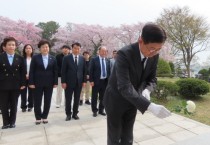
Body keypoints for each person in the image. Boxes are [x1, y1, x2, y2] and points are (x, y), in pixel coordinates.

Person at [103, 23, 171, 145]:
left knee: (128, 136)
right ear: (141, 40)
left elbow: (152, 78)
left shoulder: (154, 56)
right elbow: (124, 86)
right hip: (115, 101)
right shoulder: (124, 54)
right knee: (115, 137)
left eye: (158, 49)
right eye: (151, 48)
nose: (154, 52)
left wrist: (147, 90)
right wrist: (149, 106)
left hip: (133, 101)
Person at [29, 40, 58, 125]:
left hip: (49, 83)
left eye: (47, 47)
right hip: (37, 83)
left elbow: (55, 71)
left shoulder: (53, 58)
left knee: (47, 100)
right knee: (37, 101)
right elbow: (32, 71)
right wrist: (31, 82)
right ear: (40, 48)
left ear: (49, 48)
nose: (45, 48)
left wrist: (55, 82)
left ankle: (45, 116)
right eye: (43, 47)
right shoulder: (35, 57)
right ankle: (38, 117)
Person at [0, 37, 26, 129]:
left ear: (15, 47)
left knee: (14, 104)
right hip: (3, 85)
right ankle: (5, 123)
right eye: (9, 45)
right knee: (4, 105)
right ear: (5, 46)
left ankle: (12, 122)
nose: (11, 46)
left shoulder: (20, 58)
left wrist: (23, 84)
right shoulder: (1, 57)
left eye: (13, 45)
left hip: (16, 84)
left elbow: (23, 72)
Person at [61, 42, 86, 121]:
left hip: (79, 82)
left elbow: (84, 71)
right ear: (72, 49)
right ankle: (68, 114)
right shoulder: (66, 58)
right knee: (68, 99)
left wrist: (84, 81)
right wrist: (63, 82)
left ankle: (75, 113)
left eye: (78, 49)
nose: (76, 50)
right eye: (75, 48)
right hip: (68, 82)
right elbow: (63, 71)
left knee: (77, 99)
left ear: (80, 49)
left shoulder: (82, 58)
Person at [89, 46, 110, 117]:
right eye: (102, 51)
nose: (104, 52)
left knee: (103, 97)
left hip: (105, 82)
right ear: (99, 51)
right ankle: (94, 110)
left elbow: (109, 72)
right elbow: (90, 71)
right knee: (94, 97)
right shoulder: (94, 60)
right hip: (96, 81)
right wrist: (91, 80)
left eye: (105, 51)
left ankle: (101, 110)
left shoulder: (107, 60)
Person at [20, 44, 34, 112]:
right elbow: (20, 69)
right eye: (27, 48)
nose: (28, 49)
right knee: (23, 93)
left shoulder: (34, 58)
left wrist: (30, 75)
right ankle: (23, 106)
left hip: (32, 78)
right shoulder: (21, 59)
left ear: (32, 50)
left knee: (31, 93)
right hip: (23, 78)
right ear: (24, 50)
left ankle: (30, 106)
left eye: (30, 48)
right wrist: (24, 75)